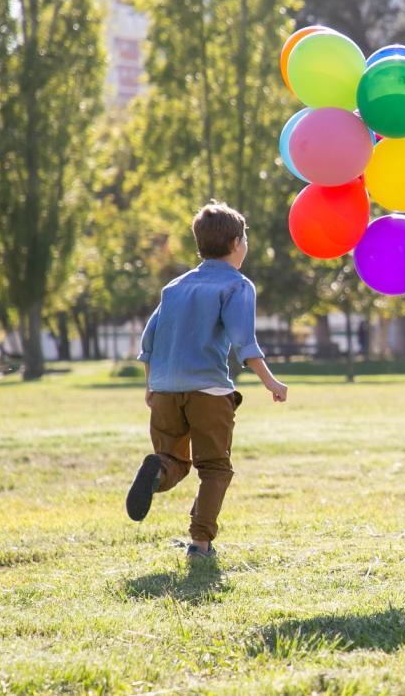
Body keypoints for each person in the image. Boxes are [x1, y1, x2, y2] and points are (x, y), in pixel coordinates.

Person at [125, 201, 290, 561]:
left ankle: (157, 470)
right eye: (245, 238)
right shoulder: (237, 285)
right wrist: (272, 383)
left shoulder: (175, 287)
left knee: (173, 461)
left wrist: (151, 387)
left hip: (166, 389)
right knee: (214, 467)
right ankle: (200, 544)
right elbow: (245, 343)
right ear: (235, 244)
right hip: (208, 391)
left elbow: (148, 342)